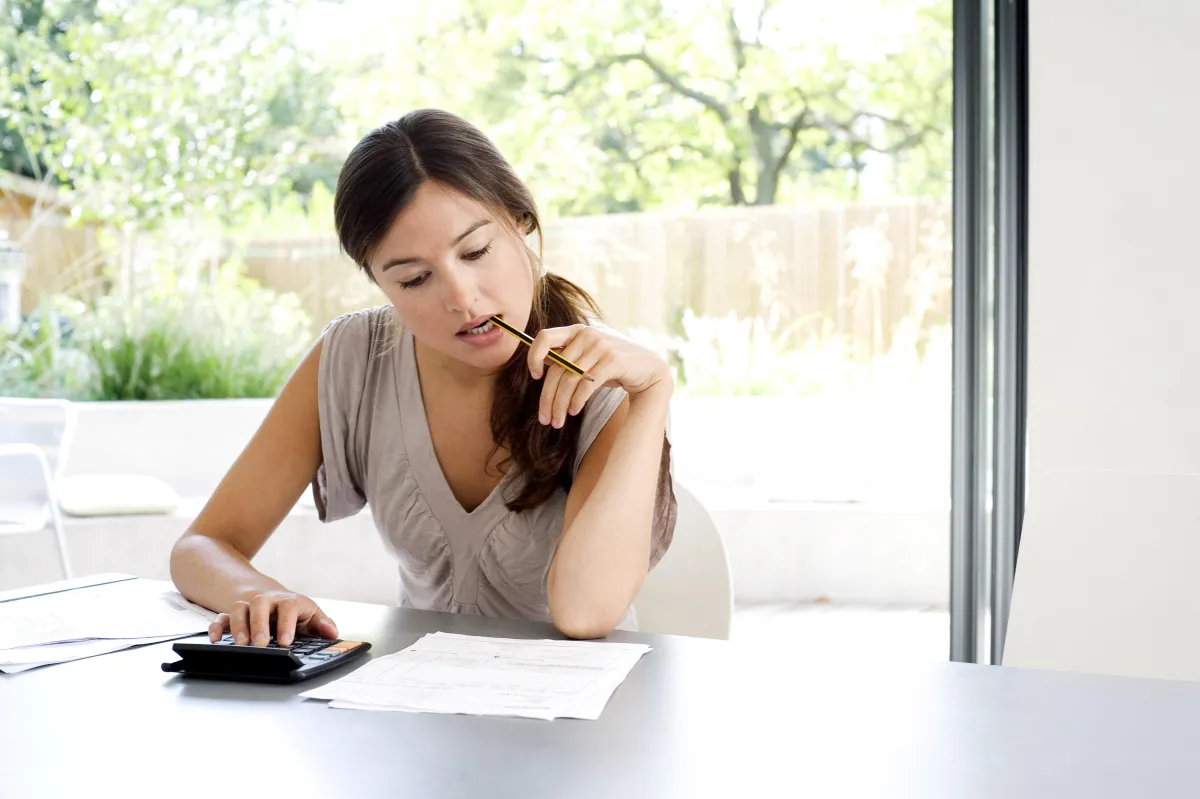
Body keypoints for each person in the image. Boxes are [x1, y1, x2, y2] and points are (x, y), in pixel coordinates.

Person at [170, 108, 677, 646]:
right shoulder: (354, 357)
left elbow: (585, 614)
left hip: (581, 713)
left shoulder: (598, 380)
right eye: (414, 279)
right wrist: (256, 593)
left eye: (476, 251)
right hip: (418, 701)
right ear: (378, 282)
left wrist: (653, 393)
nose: (461, 298)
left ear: (520, 220)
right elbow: (202, 546)